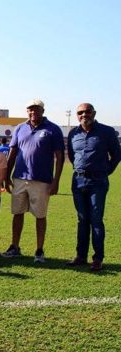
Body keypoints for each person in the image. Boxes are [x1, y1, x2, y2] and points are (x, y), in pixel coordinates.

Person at [2, 100, 65, 263]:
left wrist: (56, 181)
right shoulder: (20, 128)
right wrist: (6, 176)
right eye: (30, 110)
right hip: (20, 178)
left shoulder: (53, 129)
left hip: (42, 180)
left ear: (43, 110)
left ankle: (39, 250)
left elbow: (60, 156)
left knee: (40, 215)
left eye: (36, 109)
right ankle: (15, 247)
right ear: (26, 111)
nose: (33, 112)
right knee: (17, 213)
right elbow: (12, 153)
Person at [66, 103, 121, 271]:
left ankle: (98, 258)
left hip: (98, 182)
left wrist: (105, 171)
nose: (84, 115)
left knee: (96, 220)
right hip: (78, 181)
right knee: (82, 220)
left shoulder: (106, 132)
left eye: (87, 112)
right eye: (80, 112)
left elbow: (117, 155)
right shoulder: (73, 134)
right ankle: (81, 256)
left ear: (94, 113)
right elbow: (71, 155)